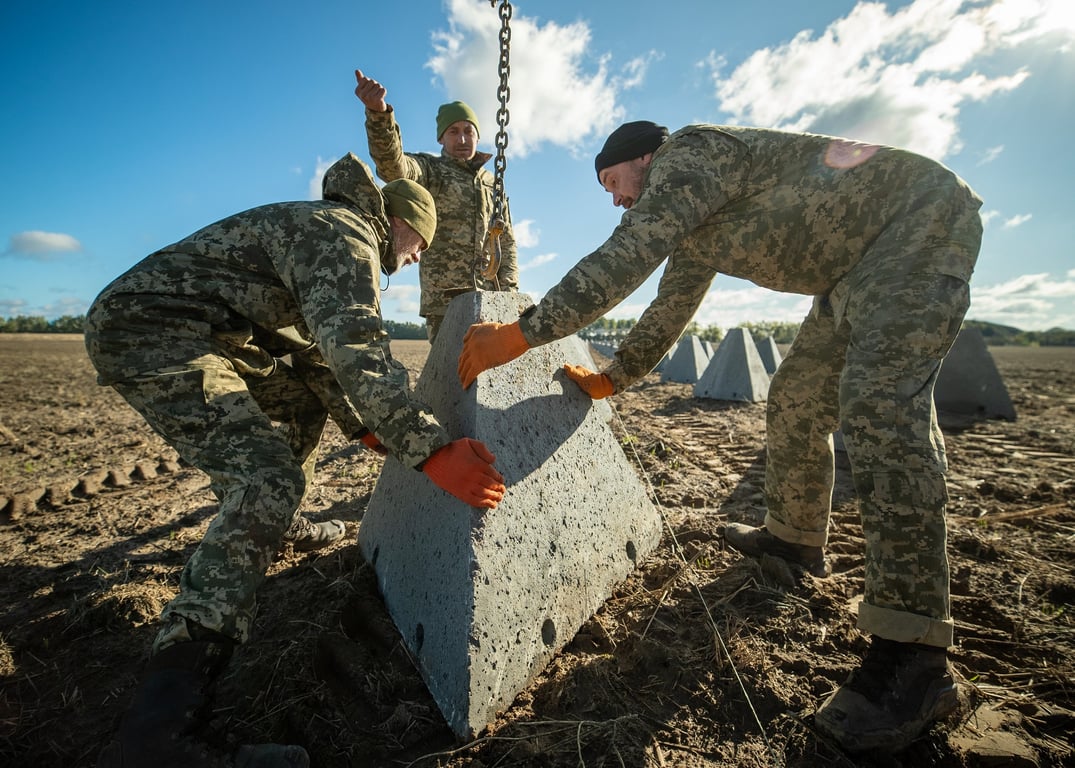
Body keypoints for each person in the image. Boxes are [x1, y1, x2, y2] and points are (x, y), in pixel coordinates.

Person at [456, 120, 983, 753]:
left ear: (646, 158)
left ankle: (914, 656)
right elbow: (669, 306)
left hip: (917, 228)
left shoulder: (693, 156)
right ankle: (792, 541)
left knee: (880, 407)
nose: (616, 198)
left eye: (613, 181)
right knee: (796, 401)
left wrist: (521, 334)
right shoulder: (696, 222)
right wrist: (615, 375)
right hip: (853, 273)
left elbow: (626, 255)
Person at [86, 152, 506, 768]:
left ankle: (269, 518)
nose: (417, 258)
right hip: (156, 330)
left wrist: (368, 429)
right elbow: (356, 347)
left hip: (200, 330)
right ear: (401, 221)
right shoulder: (347, 236)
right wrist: (432, 450)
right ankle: (160, 734)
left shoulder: (329, 230)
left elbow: (314, 360)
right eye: (421, 243)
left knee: (298, 406)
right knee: (265, 478)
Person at [354, 69, 519, 343]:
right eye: (453, 131)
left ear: (478, 136)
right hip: (445, 302)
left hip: (492, 298)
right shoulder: (430, 171)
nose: (462, 139)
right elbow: (394, 167)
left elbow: (507, 240)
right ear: (441, 138)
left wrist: (509, 294)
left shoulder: (494, 184)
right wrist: (379, 115)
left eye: (468, 131)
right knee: (450, 378)